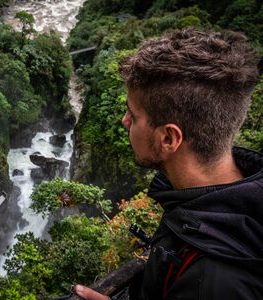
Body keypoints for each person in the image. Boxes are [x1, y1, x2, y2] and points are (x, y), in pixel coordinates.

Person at [74, 28, 263, 300]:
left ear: (168, 138)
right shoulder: (223, 203)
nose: (124, 121)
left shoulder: (213, 283)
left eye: (133, 114)